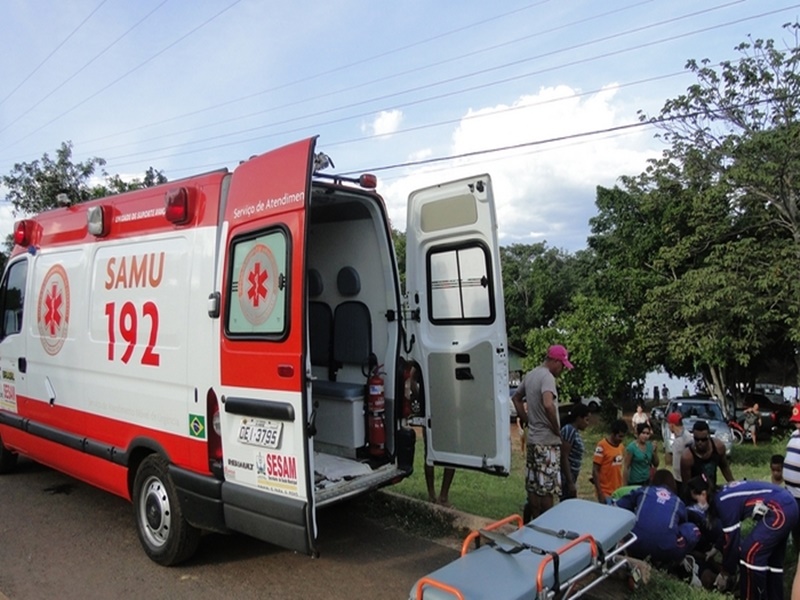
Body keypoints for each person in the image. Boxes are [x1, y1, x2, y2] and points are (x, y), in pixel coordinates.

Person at [689, 478, 799, 600]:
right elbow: (727, 531)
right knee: (773, 562)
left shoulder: (723, 501)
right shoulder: (724, 494)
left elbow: (732, 540)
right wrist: (716, 548)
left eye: (695, 500)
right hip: (788, 505)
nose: (696, 504)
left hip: (778, 510)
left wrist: (726, 571)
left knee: (749, 555)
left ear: (703, 494)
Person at [511, 344, 573, 520]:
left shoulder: (531, 375)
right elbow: (548, 404)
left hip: (533, 440)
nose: (562, 370)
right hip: (547, 442)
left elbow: (516, 398)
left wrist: (527, 419)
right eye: (562, 365)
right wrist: (556, 428)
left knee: (534, 485)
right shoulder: (547, 377)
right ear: (555, 361)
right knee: (547, 488)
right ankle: (547, 523)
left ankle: (535, 521)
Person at [616, 470, 701, 567]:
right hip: (665, 549)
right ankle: (677, 560)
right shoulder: (678, 502)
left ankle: (622, 547)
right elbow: (683, 524)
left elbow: (618, 506)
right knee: (693, 529)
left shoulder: (644, 491)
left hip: (634, 542)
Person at [680, 420, 734, 498]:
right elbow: (686, 484)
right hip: (697, 495)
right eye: (697, 439)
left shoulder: (718, 447)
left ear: (709, 436)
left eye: (703, 439)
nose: (700, 442)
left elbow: (724, 466)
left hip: (712, 489)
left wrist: (733, 484)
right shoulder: (687, 457)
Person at [592, 419, 628, 504]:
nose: (621, 439)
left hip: (617, 491)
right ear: (613, 434)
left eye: (623, 437)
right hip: (605, 491)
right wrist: (600, 493)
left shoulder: (621, 447)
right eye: (620, 436)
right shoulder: (602, 446)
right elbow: (595, 470)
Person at [559, 403, 590, 500]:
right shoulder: (569, 430)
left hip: (572, 475)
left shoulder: (575, 432)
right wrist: (570, 482)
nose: (587, 424)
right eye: (586, 420)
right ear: (579, 418)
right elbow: (564, 456)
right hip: (566, 476)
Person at [782, 404, 800, 549]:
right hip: (790, 490)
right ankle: (795, 547)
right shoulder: (794, 434)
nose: (796, 424)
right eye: (795, 421)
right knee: (794, 521)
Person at [665, 412, 692, 484]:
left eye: (668, 424)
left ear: (672, 425)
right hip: (677, 478)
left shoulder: (686, 438)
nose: (668, 426)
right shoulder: (678, 437)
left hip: (684, 479)